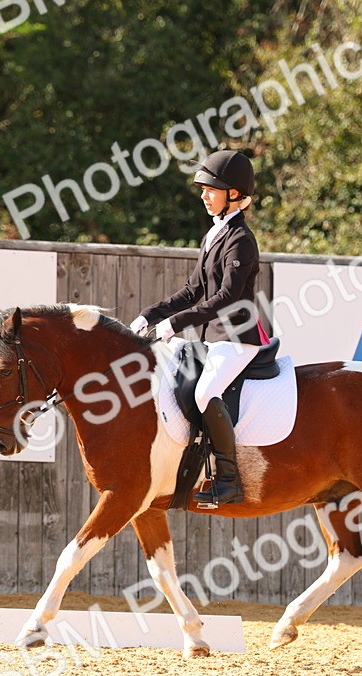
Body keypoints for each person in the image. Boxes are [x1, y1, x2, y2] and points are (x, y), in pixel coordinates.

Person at [130, 150, 269, 506]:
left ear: (234, 194)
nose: (204, 195)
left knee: (206, 393)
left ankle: (229, 479)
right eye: (203, 189)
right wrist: (151, 314)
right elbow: (194, 291)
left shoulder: (241, 240)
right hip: (212, 338)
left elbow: (225, 297)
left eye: (212, 189)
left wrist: (175, 324)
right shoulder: (214, 235)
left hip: (237, 337)